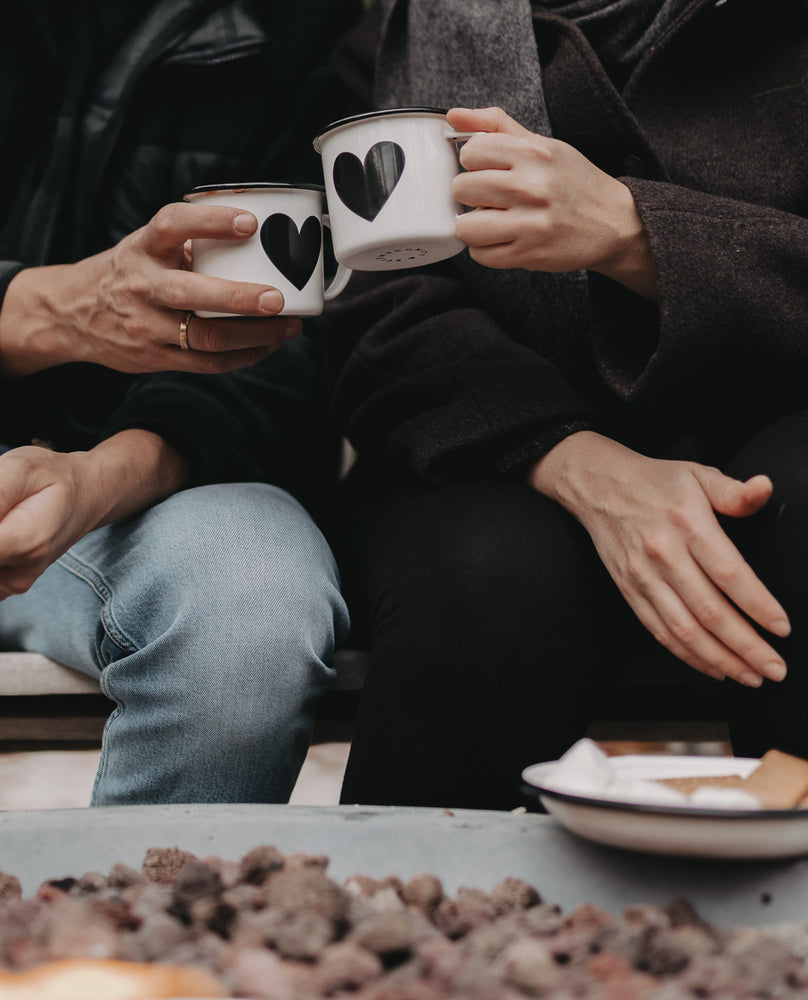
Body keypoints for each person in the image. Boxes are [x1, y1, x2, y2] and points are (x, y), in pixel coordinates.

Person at [0, 0, 361, 805]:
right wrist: (63, 310)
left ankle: (143, 920)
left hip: (148, 498)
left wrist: (96, 480)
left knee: (254, 607)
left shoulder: (318, 33)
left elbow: (294, 355)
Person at [321, 0, 808, 809]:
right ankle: (424, 920)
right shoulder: (404, 30)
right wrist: (577, 463)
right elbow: (371, 306)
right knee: (484, 576)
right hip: (494, 436)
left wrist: (637, 234)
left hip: (777, 420)